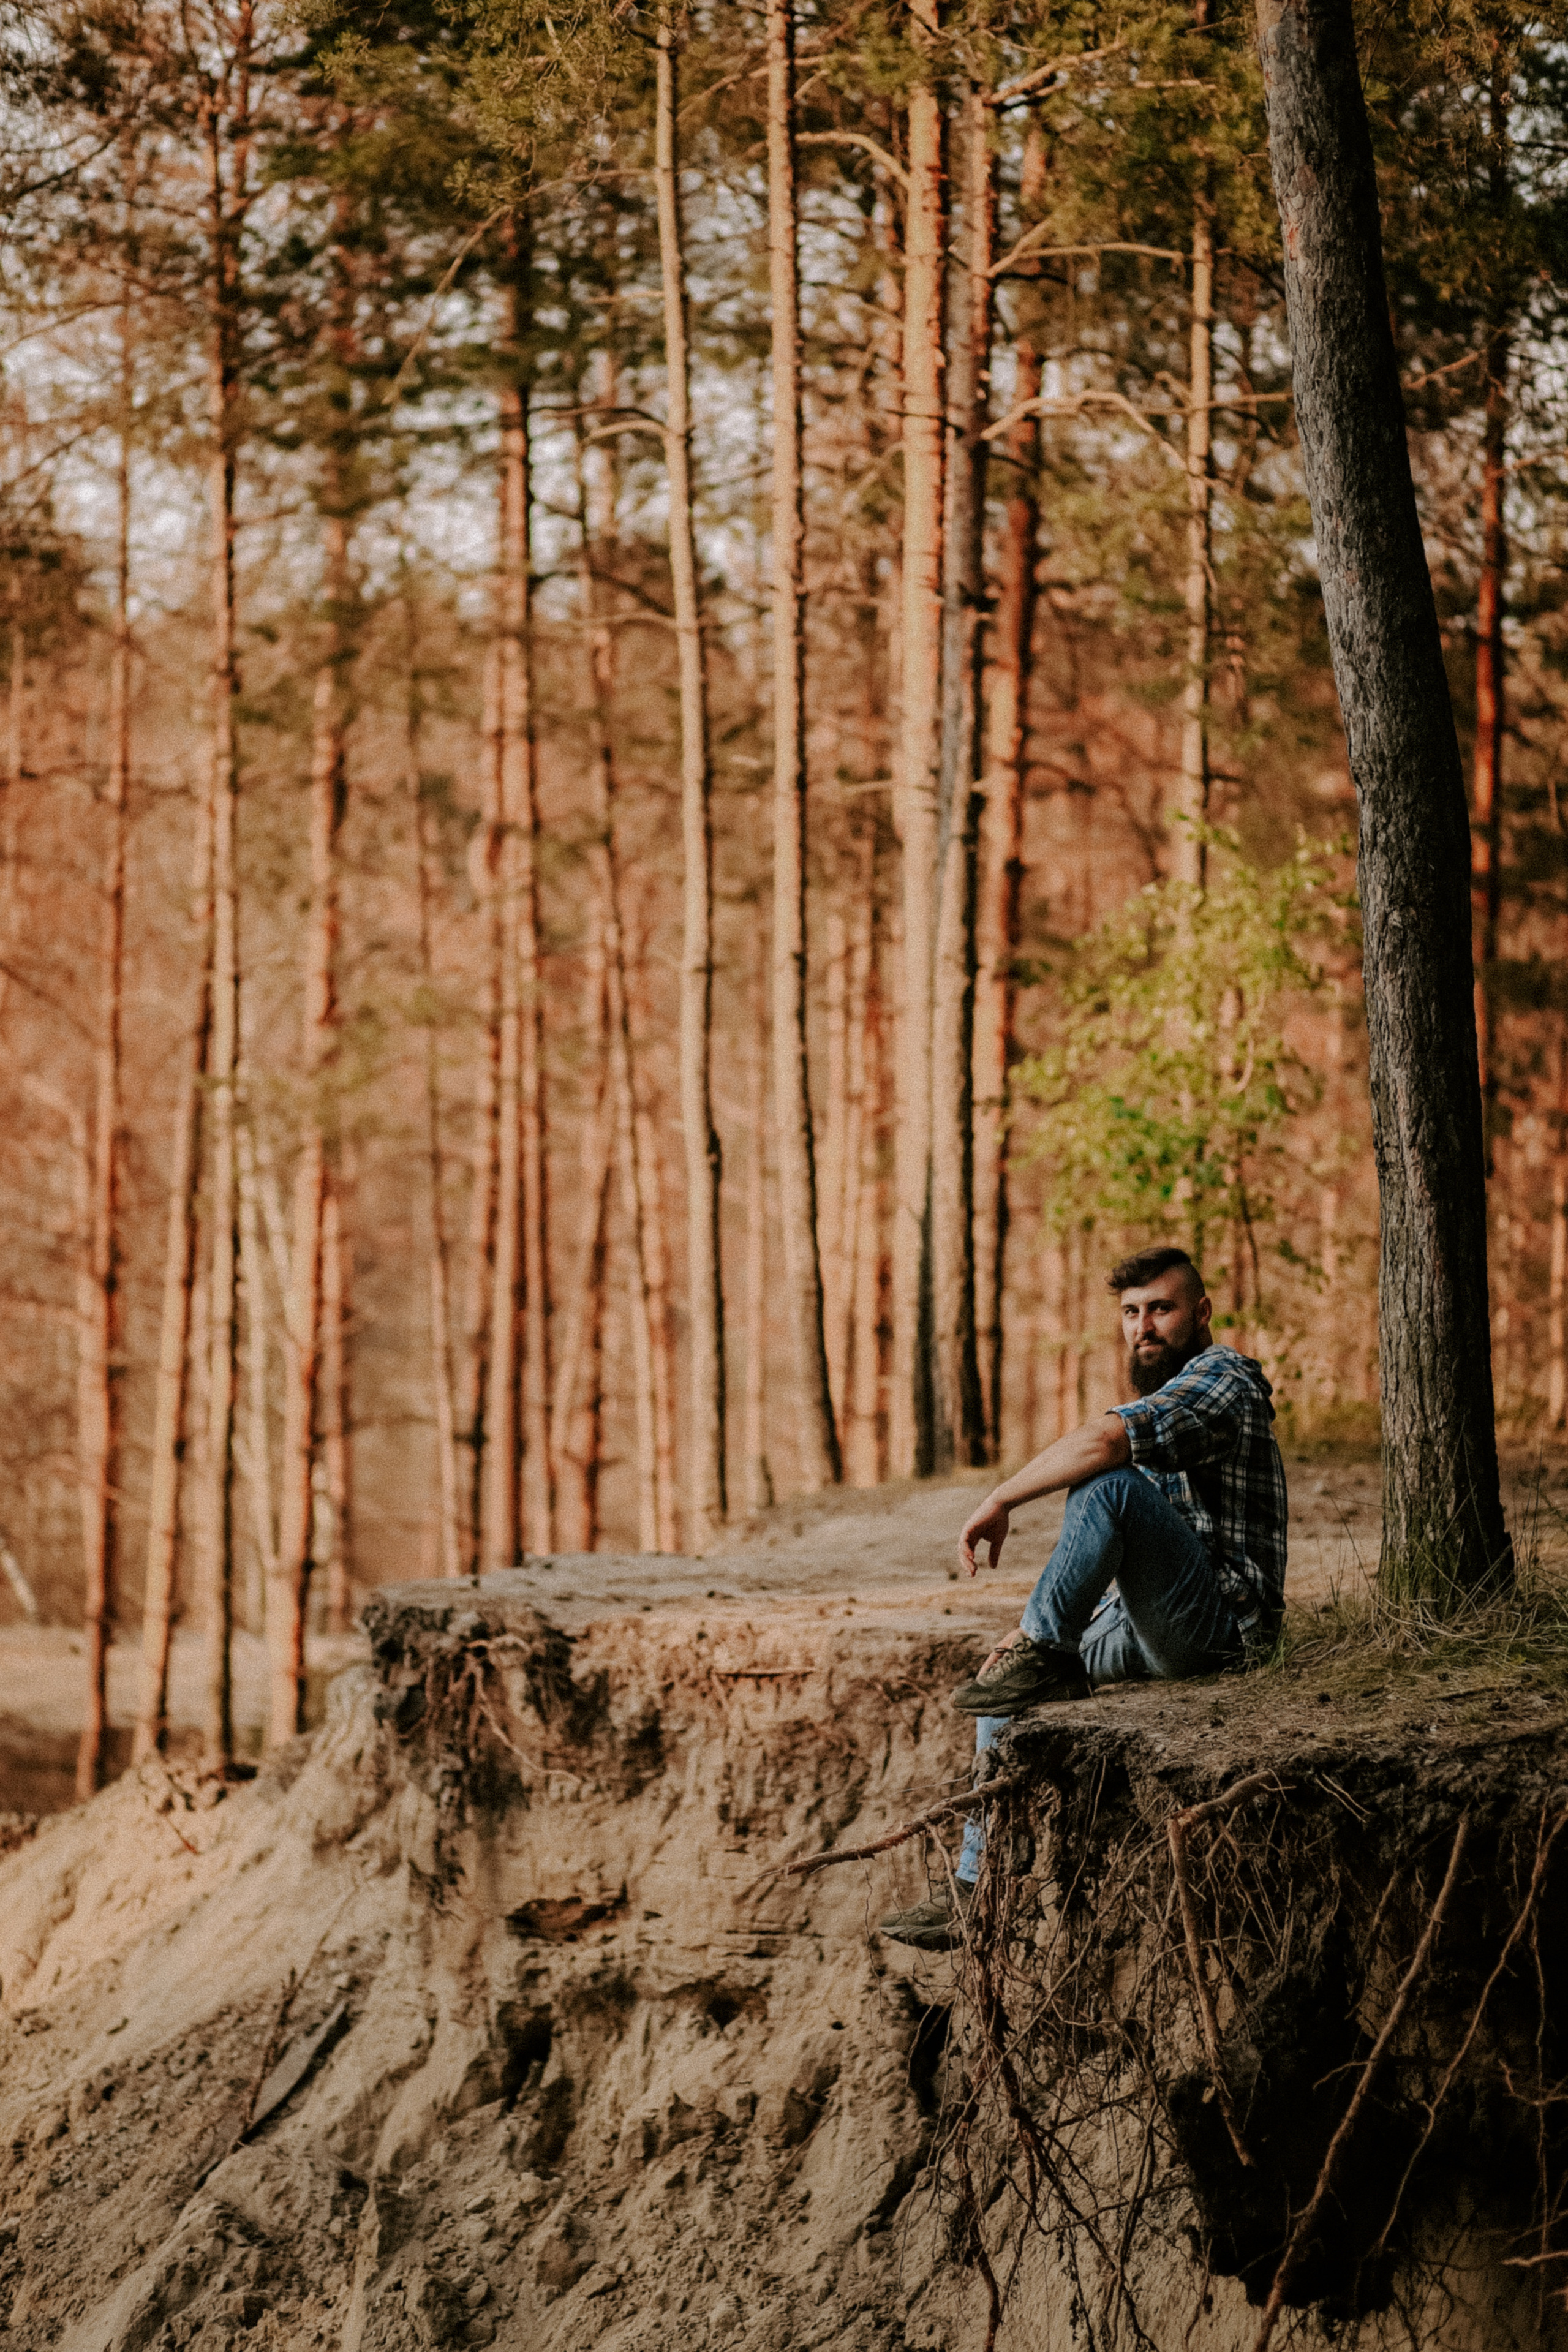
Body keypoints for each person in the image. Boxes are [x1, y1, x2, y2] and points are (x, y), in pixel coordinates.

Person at [880, 1245, 1288, 1951]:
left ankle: (1048, 1650)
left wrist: (1001, 1498)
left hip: (1223, 1630)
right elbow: (1130, 1560)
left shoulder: (1226, 1379)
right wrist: (1026, 1632)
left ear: (1200, 1312)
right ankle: (976, 1890)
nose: (1143, 1327)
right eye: (1131, 1313)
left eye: (1159, 1309)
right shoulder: (1154, 1403)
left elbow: (1105, 1443)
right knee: (1002, 1681)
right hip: (1152, 1626)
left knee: (1108, 1486)